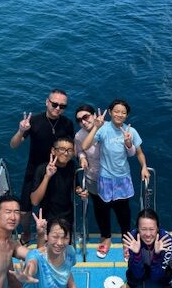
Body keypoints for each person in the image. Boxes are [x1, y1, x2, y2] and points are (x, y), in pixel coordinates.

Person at [81, 99, 150, 259]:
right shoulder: (103, 129)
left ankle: (126, 241)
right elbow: (85, 146)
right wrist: (96, 127)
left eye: (123, 112)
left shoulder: (131, 131)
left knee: (123, 212)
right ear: (110, 112)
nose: (120, 114)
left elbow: (139, 153)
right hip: (105, 178)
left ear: (127, 115)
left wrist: (144, 167)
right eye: (116, 111)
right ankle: (106, 238)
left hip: (122, 178)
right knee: (103, 210)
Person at [10, 89, 74, 244]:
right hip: (34, 169)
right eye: (54, 104)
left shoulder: (67, 123)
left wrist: (83, 159)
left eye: (62, 106)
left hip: (57, 170)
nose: (58, 108)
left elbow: (72, 147)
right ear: (47, 102)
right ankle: (26, 232)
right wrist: (21, 131)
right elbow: (14, 145)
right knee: (24, 210)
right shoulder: (34, 121)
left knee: (54, 205)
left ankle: (51, 232)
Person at [119, 208, 172, 288]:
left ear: (158, 228)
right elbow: (137, 273)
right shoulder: (132, 238)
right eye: (143, 229)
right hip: (143, 263)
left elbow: (156, 275)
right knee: (133, 273)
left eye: (152, 229)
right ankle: (132, 284)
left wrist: (157, 254)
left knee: (165, 276)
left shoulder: (166, 240)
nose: (148, 234)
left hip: (162, 268)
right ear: (138, 229)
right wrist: (136, 254)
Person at [74, 104, 110, 256]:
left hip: (114, 178)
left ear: (94, 115)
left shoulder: (110, 128)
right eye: (79, 120)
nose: (83, 121)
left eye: (86, 117)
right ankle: (105, 237)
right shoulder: (79, 136)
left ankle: (127, 239)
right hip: (93, 177)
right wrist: (82, 158)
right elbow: (80, 151)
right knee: (100, 209)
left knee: (120, 208)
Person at [30, 136, 88, 227]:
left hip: (67, 216)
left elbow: (75, 186)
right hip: (48, 217)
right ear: (53, 151)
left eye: (69, 150)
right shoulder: (42, 169)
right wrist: (47, 176)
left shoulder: (72, 166)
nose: (66, 153)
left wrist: (80, 191)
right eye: (62, 149)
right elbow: (34, 201)